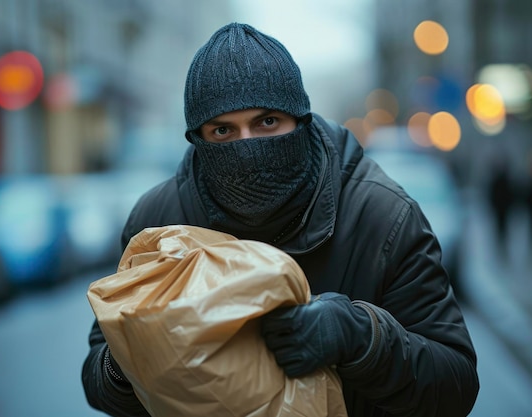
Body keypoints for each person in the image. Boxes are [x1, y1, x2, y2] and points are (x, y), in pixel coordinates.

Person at [82, 22, 479, 417]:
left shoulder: (382, 219)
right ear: (199, 139)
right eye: (223, 130)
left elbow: (455, 385)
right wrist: (130, 357)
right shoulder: (157, 224)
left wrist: (361, 338)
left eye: (266, 122)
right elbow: (99, 376)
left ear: (299, 122)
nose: (247, 146)